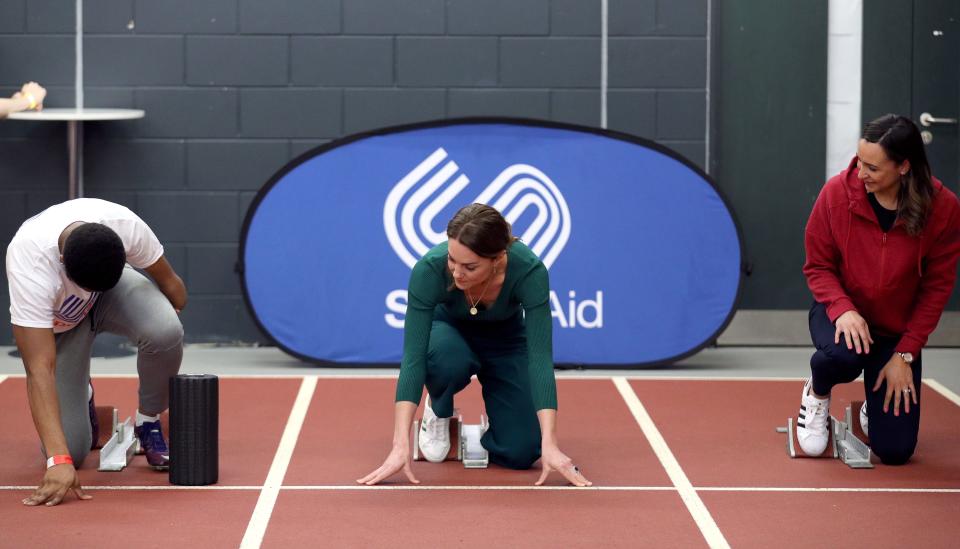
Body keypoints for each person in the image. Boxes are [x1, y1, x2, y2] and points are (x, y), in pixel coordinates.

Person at [358, 204, 591, 486]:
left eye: (469, 266)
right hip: (446, 333)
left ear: (498, 258)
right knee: (448, 359)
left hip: (506, 340)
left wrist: (549, 443)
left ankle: (501, 426)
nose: (457, 273)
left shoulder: (529, 271)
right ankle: (439, 408)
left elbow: (540, 358)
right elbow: (413, 358)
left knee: (522, 452)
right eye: (452, 260)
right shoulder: (429, 269)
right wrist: (399, 444)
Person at [797, 114, 960, 465]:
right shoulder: (836, 194)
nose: (860, 173)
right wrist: (843, 308)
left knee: (895, 451)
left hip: (893, 332)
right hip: (839, 315)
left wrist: (906, 354)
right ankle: (817, 391)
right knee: (843, 357)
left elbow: (936, 287)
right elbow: (818, 266)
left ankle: (875, 401)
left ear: (904, 167)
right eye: (859, 162)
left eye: (872, 167)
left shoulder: (943, 209)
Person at [7, 198, 187, 506]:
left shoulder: (124, 224)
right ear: (62, 260)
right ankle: (83, 393)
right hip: (61, 328)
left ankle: (148, 422)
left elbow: (172, 285)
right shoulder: (30, 262)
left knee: (166, 330)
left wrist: (166, 328)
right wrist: (58, 460)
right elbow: (39, 368)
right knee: (74, 452)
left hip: (111, 294)